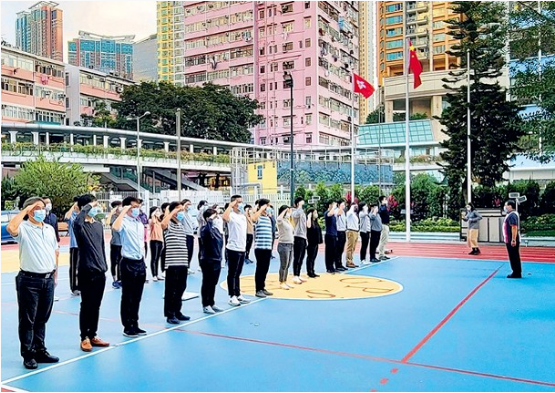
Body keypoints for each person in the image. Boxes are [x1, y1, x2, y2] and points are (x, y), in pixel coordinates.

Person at [7, 197, 59, 369]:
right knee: (28, 320)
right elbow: (11, 228)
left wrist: (54, 274)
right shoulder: (23, 228)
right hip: (29, 280)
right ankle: (28, 354)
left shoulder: (50, 229)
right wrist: (25, 209)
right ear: (29, 210)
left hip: (47, 279)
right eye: (37, 208)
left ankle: (40, 350)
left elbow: (54, 252)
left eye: (43, 208)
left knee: (42, 318)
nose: (42, 211)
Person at [72, 194, 110, 352]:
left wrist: (104, 265)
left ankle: (93, 334)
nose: (96, 209)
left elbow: (101, 247)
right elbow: (77, 221)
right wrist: (86, 207)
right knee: (86, 305)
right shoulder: (79, 226)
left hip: (100, 271)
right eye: (93, 206)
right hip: (86, 271)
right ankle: (84, 337)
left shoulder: (98, 225)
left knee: (96, 305)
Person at [112, 196, 148, 337]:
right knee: (128, 296)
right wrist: (123, 211)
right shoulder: (123, 222)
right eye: (133, 207)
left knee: (137, 296)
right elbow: (115, 227)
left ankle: (135, 323)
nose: (136, 209)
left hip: (140, 262)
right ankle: (127, 325)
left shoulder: (138, 223)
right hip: (128, 262)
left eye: (138, 207)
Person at [161, 202, 190, 324]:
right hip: (172, 262)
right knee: (171, 289)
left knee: (181, 287)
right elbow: (163, 224)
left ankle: (178, 311)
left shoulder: (181, 225)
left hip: (183, 261)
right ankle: (170, 313)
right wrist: (172, 211)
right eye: (179, 211)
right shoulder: (168, 224)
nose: (181, 213)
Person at [222, 195, 251, 306]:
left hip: (241, 247)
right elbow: (224, 218)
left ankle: (238, 294)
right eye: (238, 202)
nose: (241, 204)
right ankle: (232, 296)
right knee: (232, 273)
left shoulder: (242, 216)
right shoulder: (231, 215)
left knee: (238, 273)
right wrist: (230, 206)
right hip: (233, 248)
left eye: (241, 202)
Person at [199, 208, 224, 314]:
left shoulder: (216, 230)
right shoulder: (204, 229)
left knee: (213, 282)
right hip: (207, 259)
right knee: (207, 282)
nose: (217, 218)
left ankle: (212, 302)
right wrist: (209, 220)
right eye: (215, 216)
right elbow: (207, 232)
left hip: (217, 259)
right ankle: (206, 304)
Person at [251, 199, 274, 298]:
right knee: (260, 268)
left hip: (267, 247)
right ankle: (258, 289)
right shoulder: (258, 217)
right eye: (267, 206)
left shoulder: (267, 218)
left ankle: (262, 287)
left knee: (265, 268)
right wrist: (259, 209)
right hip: (260, 247)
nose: (268, 208)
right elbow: (253, 219)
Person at [64, 198, 80, 295]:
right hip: (75, 246)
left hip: (84, 246)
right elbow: (66, 217)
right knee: (74, 267)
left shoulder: (83, 215)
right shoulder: (72, 216)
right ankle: (74, 287)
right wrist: (73, 206)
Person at [277, 205, 295, 288]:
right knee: (284, 264)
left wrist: (289, 214)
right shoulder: (281, 221)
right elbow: (279, 219)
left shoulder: (287, 221)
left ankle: (285, 280)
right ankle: (281, 282)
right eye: (287, 211)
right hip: (283, 244)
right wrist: (285, 211)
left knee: (288, 264)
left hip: (290, 244)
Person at [291, 197, 309, 284]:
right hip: (297, 236)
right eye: (301, 202)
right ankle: (295, 275)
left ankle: (298, 274)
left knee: (301, 257)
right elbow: (295, 215)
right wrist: (299, 206)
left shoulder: (302, 212)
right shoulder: (295, 212)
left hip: (303, 236)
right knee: (297, 257)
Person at [503, 200, 522, 279]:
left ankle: (516, 272)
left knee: (514, 256)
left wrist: (513, 239)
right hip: (509, 238)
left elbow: (514, 227)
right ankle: (516, 271)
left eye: (506, 205)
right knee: (513, 255)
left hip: (511, 239)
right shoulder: (511, 214)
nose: (505, 207)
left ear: (510, 206)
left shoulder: (512, 215)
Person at [108, 201, 123, 289]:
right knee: (114, 262)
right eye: (119, 207)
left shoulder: (124, 217)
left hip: (123, 243)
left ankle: (121, 279)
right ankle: (115, 279)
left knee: (122, 262)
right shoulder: (113, 217)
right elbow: (111, 224)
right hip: (115, 243)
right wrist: (112, 212)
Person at [306, 208, 322, 278]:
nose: (316, 214)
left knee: (313, 257)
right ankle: (309, 271)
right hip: (311, 242)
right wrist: (309, 217)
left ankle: (312, 270)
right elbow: (308, 226)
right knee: (310, 257)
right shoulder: (309, 221)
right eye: (315, 212)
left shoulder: (315, 222)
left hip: (316, 242)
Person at [180, 199, 196, 272]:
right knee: (185, 252)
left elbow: (192, 223)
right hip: (185, 234)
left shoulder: (189, 214)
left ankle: (188, 266)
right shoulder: (181, 213)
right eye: (187, 204)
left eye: (190, 204)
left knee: (190, 251)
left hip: (190, 234)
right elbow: (178, 221)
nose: (189, 206)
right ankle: (184, 267)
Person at [149, 207, 164, 281]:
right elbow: (153, 223)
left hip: (160, 240)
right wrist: (153, 215)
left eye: (158, 211)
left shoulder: (160, 220)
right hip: (154, 240)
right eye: (156, 211)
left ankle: (157, 274)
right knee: (154, 258)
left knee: (158, 258)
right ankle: (154, 274)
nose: (158, 212)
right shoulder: (151, 220)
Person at [324, 201, 338, 273]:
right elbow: (330, 213)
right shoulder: (327, 213)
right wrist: (333, 207)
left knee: (333, 252)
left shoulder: (333, 215)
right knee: (329, 252)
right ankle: (328, 267)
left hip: (334, 234)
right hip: (329, 234)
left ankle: (332, 266)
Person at [334, 200, 348, 272]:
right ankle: (337, 264)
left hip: (343, 231)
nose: (344, 205)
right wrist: (340, 207)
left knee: (341, 249)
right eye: (342, 204)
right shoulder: (337, 211)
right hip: (338, 231)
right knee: (338, 249)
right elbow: (338, 214)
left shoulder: (343, 212)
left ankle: (340, 263)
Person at [345, 203, 360, 268]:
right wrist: (352, 207)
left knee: (353, 248)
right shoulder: (349, 213)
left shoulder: (354, 214)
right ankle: (348, 261)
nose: (356, 207)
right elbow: (349, 213)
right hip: (351, 231)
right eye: (355, 206)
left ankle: (351, 260)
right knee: (350, 247)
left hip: (356, 231)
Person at [377, 196, 391, 261]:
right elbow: (381, 211)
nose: (386, 200)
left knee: (385, 240)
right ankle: (380, 255)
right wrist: (384, 205)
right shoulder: (382, 208)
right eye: (385, 199)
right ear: (382, 201)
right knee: (383, 240)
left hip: (386, 225)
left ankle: (382, 254)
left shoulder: (385, 208)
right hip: (383, 225)